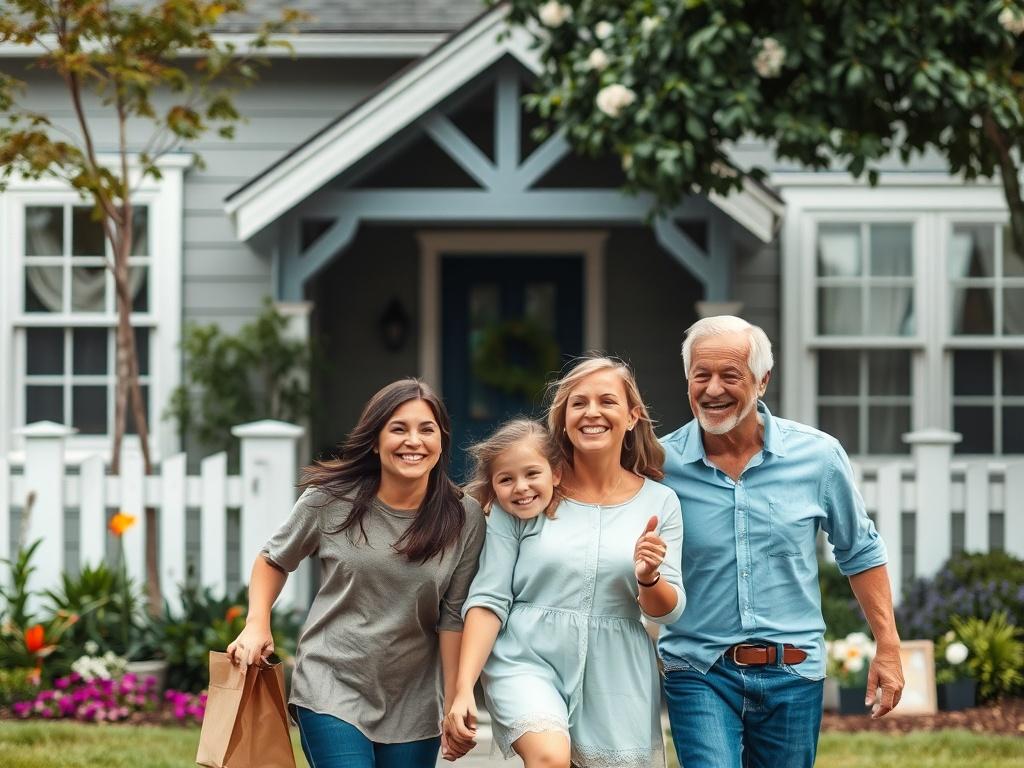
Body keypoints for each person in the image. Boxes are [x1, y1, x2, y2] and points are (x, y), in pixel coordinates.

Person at [659, 316, 905, 768]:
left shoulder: (818, 457)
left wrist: (887, 645)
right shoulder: (659, 464)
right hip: (699, 671)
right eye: (702, 375)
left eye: (730, 375)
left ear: (762, 381)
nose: (713, 389)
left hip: (793, 671)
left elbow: (861, 550)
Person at [226, 378, 485, 768]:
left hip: (412, 699)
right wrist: (256, 623)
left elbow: (453, 615)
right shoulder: (330, 501)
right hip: (331, 683)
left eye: (426, 429)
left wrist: (455, 698)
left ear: (442, 442)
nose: (413, 441)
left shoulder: (464, 516)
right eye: (398, 429)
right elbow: (273, 559)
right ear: (375, 440)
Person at [444, 356, 685, 768]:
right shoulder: (529, 492)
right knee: (550, 758)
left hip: (617, 671)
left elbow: (670, 609)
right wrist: (463, 687)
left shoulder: (660, 501)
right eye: (579, 403)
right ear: (565, 418)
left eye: (607, 401)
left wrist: (648, 578)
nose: (592, 412)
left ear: (633, 416)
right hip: (526, 657)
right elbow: (489, 596)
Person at [462, 418, 563, 521]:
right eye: (506, 480)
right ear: (492, 487)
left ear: (556, 474)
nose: (520, 487)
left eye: (532, 473)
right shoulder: (491, 522)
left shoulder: (575, 515)